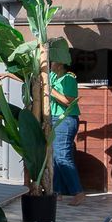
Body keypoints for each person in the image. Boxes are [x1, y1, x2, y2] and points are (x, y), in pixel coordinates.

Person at [47, 56, 85, 205]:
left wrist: (51, 91)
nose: (51, 63)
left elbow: (68, 101)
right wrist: (8, 75)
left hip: (65, 119)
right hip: (55, 119)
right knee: (56, 157)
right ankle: (57, 192)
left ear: (61, 63)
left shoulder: (68, 78)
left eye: (53, 61)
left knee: (62, 156)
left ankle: (78, 192)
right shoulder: (51, 76)